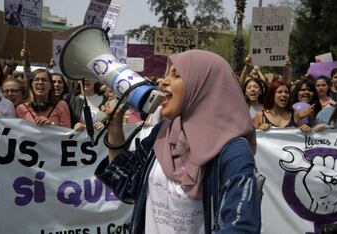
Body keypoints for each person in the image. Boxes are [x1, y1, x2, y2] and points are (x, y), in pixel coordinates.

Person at [95, 50, 261, 233]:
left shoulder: (234, 152)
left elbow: (242, 226)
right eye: (166, 74)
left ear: (202, 86)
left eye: (176, 74)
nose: (164, 81)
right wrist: (115, 124)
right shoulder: (164, 132)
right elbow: (125, 184)